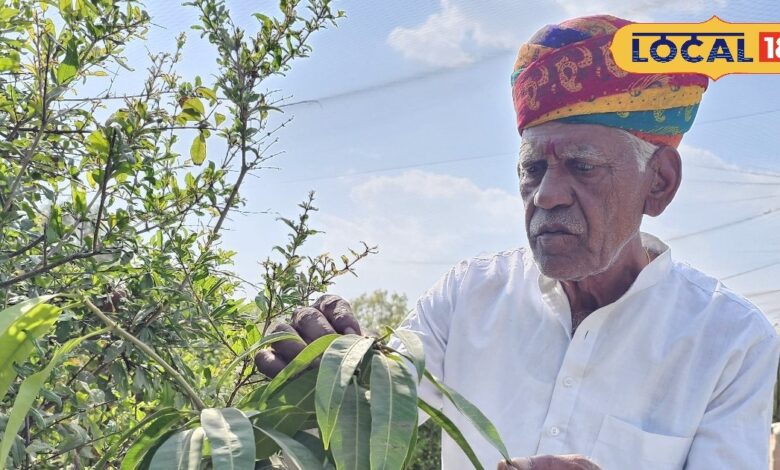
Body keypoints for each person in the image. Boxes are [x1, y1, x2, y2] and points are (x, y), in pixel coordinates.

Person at [255, 14, 780, 469]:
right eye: (532, 168)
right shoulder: (466, 298)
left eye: (582, 166)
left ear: (659, 183)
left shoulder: (730, 341)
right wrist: (327, 371)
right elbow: (376, 412)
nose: (547, 195)